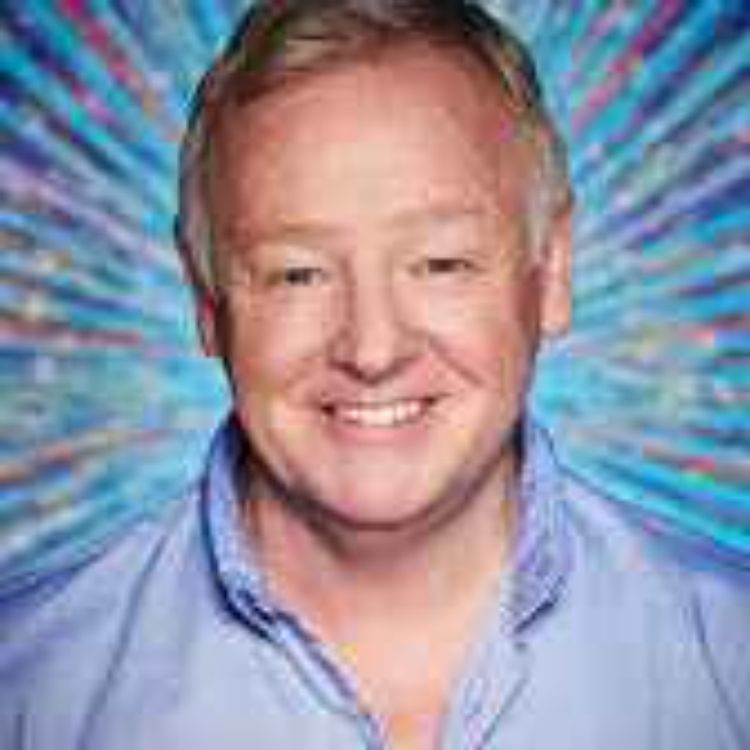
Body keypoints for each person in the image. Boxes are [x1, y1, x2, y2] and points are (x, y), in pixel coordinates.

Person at [1, 1, 748, 748]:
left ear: (550, 272)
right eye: (297, 274)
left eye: (441, 263)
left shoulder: (730, 663)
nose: (372, 350)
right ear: (207, 301)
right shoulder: (28, 690)